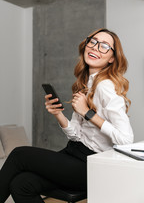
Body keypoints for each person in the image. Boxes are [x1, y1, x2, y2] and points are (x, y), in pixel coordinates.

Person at [0, 28, 134, 203]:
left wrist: (88, 113)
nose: (95, 47)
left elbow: (126, 140)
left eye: (104, 46)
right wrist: (58, 115)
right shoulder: (86, 84)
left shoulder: (105, 87)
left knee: (19, 154)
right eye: (92, 42)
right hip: (72, 154)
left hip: (90, 165)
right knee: (22, 184)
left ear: (112, 59)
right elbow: (76, 135)